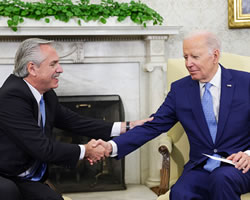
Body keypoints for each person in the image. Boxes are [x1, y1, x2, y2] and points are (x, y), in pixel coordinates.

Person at [95, 31, 250, 200]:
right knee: (179, 193)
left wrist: (249, 154)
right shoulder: (180, 90)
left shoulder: (245, 83)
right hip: (201, 167)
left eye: (195, 57)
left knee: (222, 179)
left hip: (241, 165)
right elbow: (153, 125)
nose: (188, 63)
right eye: (185, 57)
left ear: (215, 55)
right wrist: (112, 146)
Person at [0, 38, 152, 200]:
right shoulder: (12, 97)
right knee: (8, 192)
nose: (60, 69)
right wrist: (87, 150)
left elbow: (75, 122)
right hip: (5, 175)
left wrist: (128, 126)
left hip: (23, 177)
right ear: (32, 68)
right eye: (53, 64)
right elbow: (42, 148)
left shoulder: (46, 94)